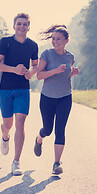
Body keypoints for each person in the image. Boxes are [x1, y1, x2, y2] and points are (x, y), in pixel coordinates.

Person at [0, 13, 38, 176]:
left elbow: (35, 66)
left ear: (28, 27)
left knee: (20, 122)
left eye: (25, 24)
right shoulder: (5, 42)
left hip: (22, 89)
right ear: (14, 26)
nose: (22, 26)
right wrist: (14, 69)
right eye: (19, 24)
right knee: (8, 124)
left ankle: (16, 161)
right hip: (5, 88)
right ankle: (5, 136)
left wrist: (30, 73)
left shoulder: (32, 45)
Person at [34, 25, 79, 175]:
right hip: (47, 97)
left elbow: (64, 76)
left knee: (60, 130)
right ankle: (39, 138)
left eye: (58, 39)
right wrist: (55, 70)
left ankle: (56, 163)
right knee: (48, 129)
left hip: (65, 97)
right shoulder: (46, 54)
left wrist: (73, 73)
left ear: (66, 40)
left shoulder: (70, 57)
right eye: (53, 38)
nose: (55, 41)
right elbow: (39, 75)